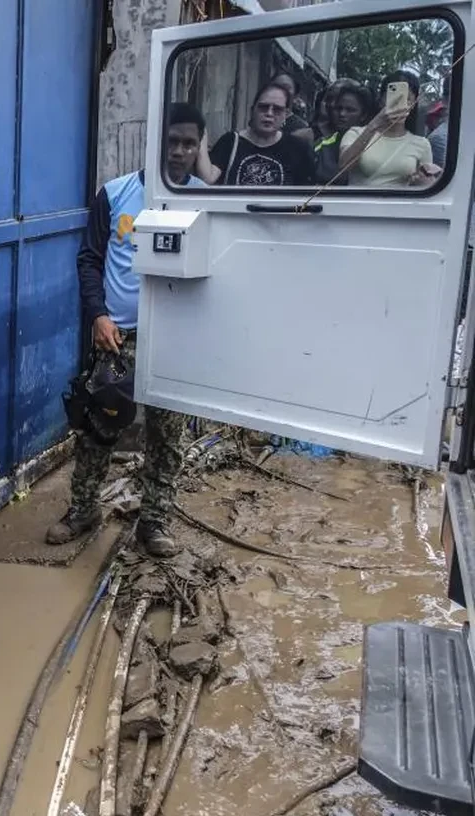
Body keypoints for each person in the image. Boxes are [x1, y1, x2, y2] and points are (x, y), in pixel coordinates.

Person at [45, 103, 208, 558]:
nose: (179, 151)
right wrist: (97, 314)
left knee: (167, 437)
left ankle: (153, 522)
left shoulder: (204, 200)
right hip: (119, 338)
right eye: (172, 141)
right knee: (99, 429)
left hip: (176, 340)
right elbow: (90, 259)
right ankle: (83, 510)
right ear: (156, 142)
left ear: (199, 146)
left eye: (189, 143)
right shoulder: (115, 193)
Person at [197, 82, 316, 186]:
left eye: (277, 109)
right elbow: (207, 179)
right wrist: (200, 134)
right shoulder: (231, 142)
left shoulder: (298, 149)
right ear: (252, 110)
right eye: (263, 107)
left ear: (286, 114)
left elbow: (306, 195)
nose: (269, 113)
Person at [339, 71, 440, 189]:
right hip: (359, 204)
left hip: (399, 206)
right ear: (382, 100)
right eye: (394, 99)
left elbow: (425, 185)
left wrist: (423, 182)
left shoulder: (422, 144)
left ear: (413, 104)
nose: (401, 105)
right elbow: (343, 167)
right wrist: (374, 125)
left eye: (407, 100)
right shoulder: (356, 133)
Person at [313, 82, 373, 185]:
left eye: (350, 110)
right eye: (338, 108)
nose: (342, 114)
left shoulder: (375, 144)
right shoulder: (320, 146)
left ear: (363, 115)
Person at [271, 72, 314, 145]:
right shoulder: (262, 118)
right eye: (276, 87)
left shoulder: (302, 128)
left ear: (296, 96)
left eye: (286, 88)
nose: (280, 91)